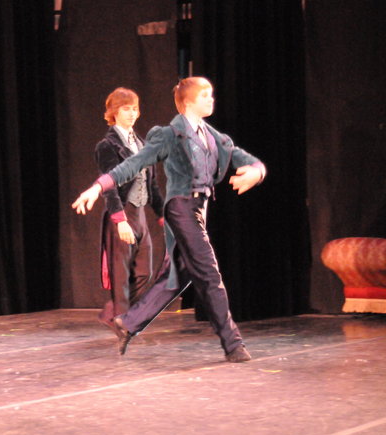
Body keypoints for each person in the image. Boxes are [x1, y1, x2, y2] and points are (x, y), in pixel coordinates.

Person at [72, 77, 266, 363]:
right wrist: (98, 187)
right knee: (209, 274)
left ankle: (128, 323)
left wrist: (257, 172)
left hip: (199, 208)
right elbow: (133, 165)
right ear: (188, 101)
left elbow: (245, 158)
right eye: (205, 95)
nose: (211, 99)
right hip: (181, 208)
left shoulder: (213, 136)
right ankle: (233, 344)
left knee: (178, 275)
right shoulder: (169, 135)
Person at [94, 87, 164, 336]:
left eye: (135, 108)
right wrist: (120, 220)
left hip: (140, 213)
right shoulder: (107, 145)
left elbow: (152, 185)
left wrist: (163, 215)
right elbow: (109, 186)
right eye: (126, 109)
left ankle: (113, 313)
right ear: (114, 112)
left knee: (144, 272)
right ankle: (122, 322)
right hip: (122, 213)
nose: (132, 113)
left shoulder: (143, 144)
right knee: (121, 275)